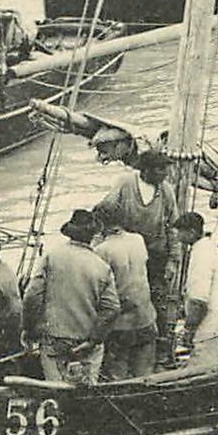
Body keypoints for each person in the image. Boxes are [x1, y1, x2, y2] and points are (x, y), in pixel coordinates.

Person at [90, 149, 179, 358]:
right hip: (126, 251)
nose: (165, 174)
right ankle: (119, 341)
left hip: (156, 255)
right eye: (160, 170)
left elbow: (173, 227)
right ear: (145, 170)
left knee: (159, 298)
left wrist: (173, 260)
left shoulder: (166, 191)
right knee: (123, 297)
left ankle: (162, 348)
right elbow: (104, 211)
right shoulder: (125, 183)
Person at [22, 210, 120, 384]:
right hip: (85, 343)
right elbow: (112, 309)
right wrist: (94, 339)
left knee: (56, 389)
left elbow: (32, 297)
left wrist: (30, 330)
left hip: (54, 339)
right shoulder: (101, 266)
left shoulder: (51, 257)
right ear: (93, 235)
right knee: (85, 392)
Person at [93, 212, 155, 380]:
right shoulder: (138, 239)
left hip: (120, 324)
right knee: (145, 374)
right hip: (145, 316)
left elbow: (97, 286)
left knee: (117, 374)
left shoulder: (101, 250)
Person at [175, 211, 218, 364]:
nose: (178, 237)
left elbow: (199, 301)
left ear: (191, 232)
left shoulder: (201, 254)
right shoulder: (211, 248)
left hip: (211, 329)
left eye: (180, 232)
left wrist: (189, 330)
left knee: (198, 373)